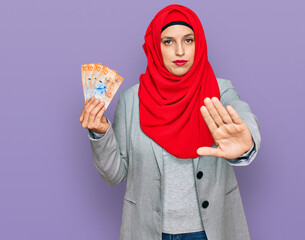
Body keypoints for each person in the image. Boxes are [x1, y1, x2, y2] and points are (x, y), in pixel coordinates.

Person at [79, 4, 261, 240]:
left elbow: (241, 113)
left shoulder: (219, 89)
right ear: (155, 47)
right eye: (168, 42)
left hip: (211, 231)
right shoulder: (131, 100)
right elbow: (115, 174)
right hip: (148, 231)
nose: (180, 51)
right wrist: (101, 134)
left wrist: (247, 142)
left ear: (199, 43)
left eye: (188, 40)